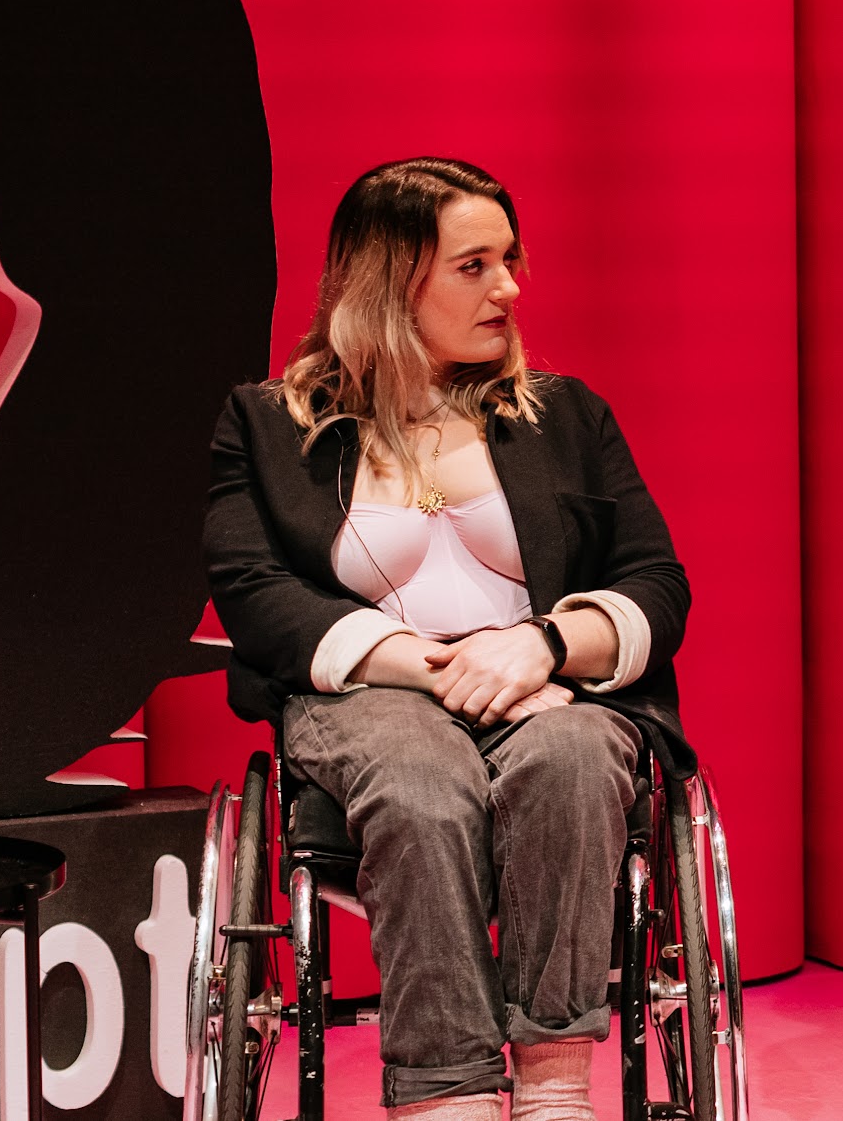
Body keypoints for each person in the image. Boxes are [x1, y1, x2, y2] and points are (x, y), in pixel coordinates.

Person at [204, 158, 692, 1121]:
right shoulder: (266, 423)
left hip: (540, 689)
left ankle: (555, 1080)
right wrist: (424, 664)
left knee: (576, 754)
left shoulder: (565, 414)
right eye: (475, 265)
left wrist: (544, 644)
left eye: (511, 259)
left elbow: (656, 581)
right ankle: (445, 1093)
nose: (509, 286)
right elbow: (254, 592)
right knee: (421, 778)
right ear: (389, 281)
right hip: (368, 696)